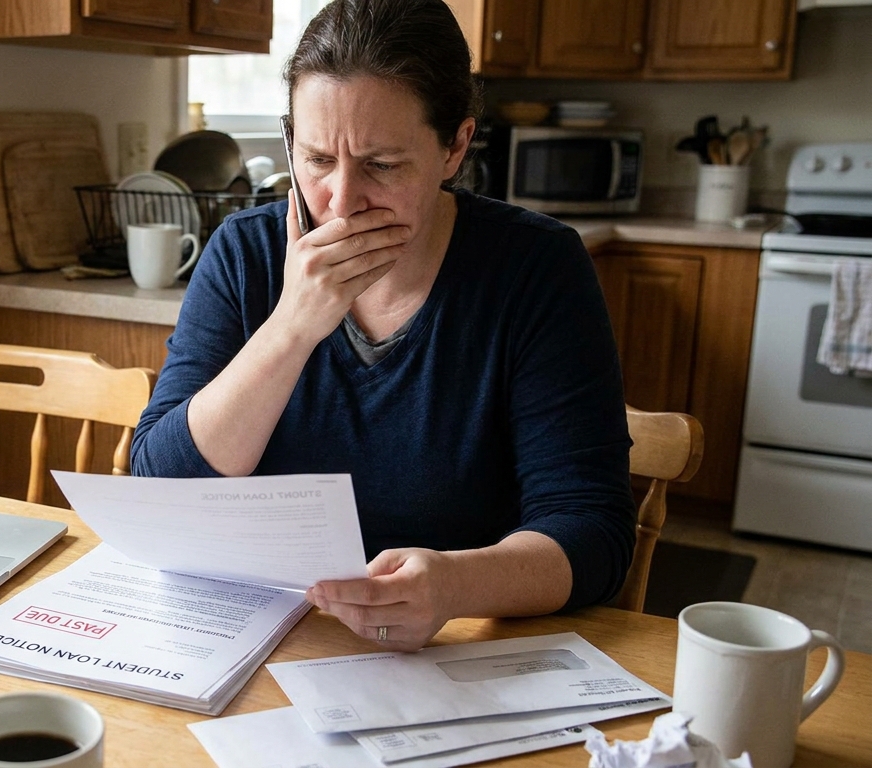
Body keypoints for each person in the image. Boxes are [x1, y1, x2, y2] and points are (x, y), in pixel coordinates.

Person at [130, 0, 636, 652]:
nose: (341, 202)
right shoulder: (244, 254)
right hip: (261, 642)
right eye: (315, 159)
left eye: (382, 165)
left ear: (454, 146)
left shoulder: (535, 268)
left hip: (450, 651)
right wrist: (291, 327)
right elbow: (159, 490)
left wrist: (456, 583)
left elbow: (592, 529)